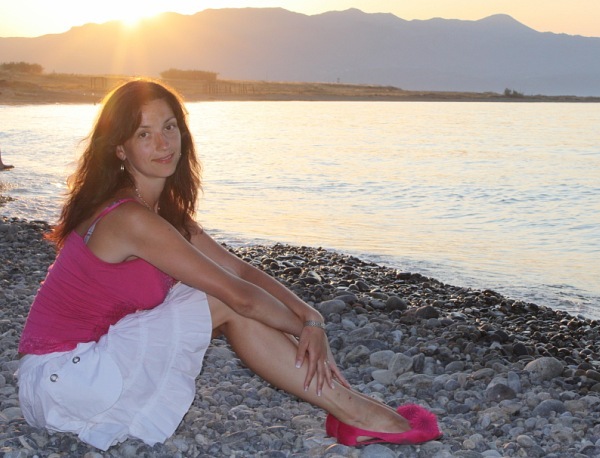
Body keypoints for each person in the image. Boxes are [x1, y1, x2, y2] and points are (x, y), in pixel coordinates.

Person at [16, 78, 441, 451]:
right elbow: (238, 296)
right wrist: (307, 330)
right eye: (144, 134)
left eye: (169, 127)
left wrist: (311, 315)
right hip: (64, 381)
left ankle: (352, 408)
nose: (164, 144)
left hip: (84, 367)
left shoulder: (162, 215)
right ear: (119, 149)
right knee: (219, 299)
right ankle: (358, 413)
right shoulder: (130, 219)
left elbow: (240, 270)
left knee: (222, 295)